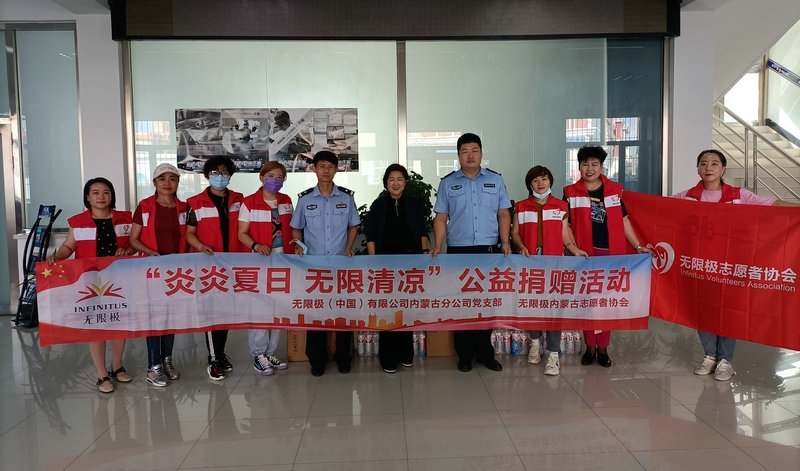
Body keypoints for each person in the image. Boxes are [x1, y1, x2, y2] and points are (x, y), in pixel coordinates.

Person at [673, 149, 800, 381]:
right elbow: (659, 209)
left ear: (723, 169)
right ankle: (710, 356)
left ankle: (725, 361)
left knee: (728, 312)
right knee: (703, 311)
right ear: (697, 169)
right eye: (703, 163)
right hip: (701, 265)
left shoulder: (740, 196)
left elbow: (773, 204)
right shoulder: (687, 196)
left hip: (731, 266)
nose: (708, 167)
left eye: (714, 163)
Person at [563, 146, 652, 368]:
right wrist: (572, 248)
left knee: (606, 302)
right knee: (587, 302)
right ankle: (589, 347)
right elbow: (565, 225)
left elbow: (623, 220)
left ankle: (603, 348)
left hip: (611, 255)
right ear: (579, 167)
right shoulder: (570, 193)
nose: (589, 169)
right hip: (584, 255)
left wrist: (638, 246)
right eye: (585, 164)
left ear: (602, 167)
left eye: (594, 164)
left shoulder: (614, 191)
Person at [47, 178, 135, 393]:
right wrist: (57, 257)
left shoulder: (126, 219)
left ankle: (117, 366)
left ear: (112, 195)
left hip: (119, 277)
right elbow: (69, 246)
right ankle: (102, 374)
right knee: (96, 325)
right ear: (87, 197)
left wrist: (127, 250)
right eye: (95, 193)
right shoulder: (78, 222)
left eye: (106, 192)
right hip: (90, 281)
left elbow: (134, 244)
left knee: (118, 322)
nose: (101, 197)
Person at [430, 133, 509, 373]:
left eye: (474, 150)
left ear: (481, 153)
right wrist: (438, 245)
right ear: (458, 156)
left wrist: (505, 241)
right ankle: (464, 355)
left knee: (486, 302)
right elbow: (441, 218)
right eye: (465, 151)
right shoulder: (447, 183)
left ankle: (485, 353)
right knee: (461, 303)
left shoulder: (495, 180)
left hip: (488, 250)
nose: (470, 155)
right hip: (459, 251)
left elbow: (503, 213)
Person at [511, 166, 588, 376]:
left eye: (544, 179)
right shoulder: (521, 207)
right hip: (529, 264)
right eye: (535, 180)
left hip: (555, 266)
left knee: (554, 308)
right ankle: (535, 343)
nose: (540, 184)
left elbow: (564, 235)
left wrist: (574, 249)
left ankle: (553, 354)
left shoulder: (561, 206)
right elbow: (515, 233)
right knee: (533, 306)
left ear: (550, 181)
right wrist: (521, 246)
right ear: (529, 184)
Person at [290, 150, 360, 377]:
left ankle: (343, 357)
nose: (326, 171)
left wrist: (349, 246)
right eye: (322, 166)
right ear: (314, 169)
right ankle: (317, 359)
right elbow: (296, 227)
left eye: (331, 166)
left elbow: (353, 225)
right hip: (314, 266)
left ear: (336, 169)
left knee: (342, 310)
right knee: (316, 311)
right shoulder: (305, 199)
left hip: (341, 264)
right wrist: (298, 245)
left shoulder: (346, 198)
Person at [365, 164, 429, 373]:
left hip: (410, 263)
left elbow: (422, 232)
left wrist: (424, 255)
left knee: (406, 308)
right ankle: (388, 358)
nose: (395, 183)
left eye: (399, 179)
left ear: (405, 182)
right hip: (384, 265)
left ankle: (406, 353)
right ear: (386, 183)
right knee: (387, 309)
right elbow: (371, 236)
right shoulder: (378, 205)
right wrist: (373, 262)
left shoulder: (414, 204)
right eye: (391, 179)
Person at [185, 156, 245, 381]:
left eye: (224, 172)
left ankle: (220, 352)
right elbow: (190, 234)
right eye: (215, 172)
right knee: (212, 312)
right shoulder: (195, 203)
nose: (220, 176)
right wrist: (201, 246)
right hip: (208, 265)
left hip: (233, 264)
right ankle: (213, 358)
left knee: (225, 311)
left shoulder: (240, 200)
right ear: (207, 175)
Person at [128, 163, 187, 387]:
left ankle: (166, 360)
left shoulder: (183, 208)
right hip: (151, 270)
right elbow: (133, 239)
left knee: (170, 316)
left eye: (172, 178)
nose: (167, 183)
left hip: (175, 271)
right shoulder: (144, 207)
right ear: (154, 182)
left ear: (178, 182)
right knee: (153, 317)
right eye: (162, 179)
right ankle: (153, 367)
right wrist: (150, 252)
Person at [238, 161, 294, 376]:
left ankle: (270, 352)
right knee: (260, 308)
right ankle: (258, 354)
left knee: (278, 307)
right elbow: (241, 233)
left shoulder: (286, 201)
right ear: (262, 178)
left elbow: (292, 228)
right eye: (270, 176)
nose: (275, 180)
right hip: (259, 261)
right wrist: (256, 245)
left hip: (283, 260)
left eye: (280, 177)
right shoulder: (249, 202)